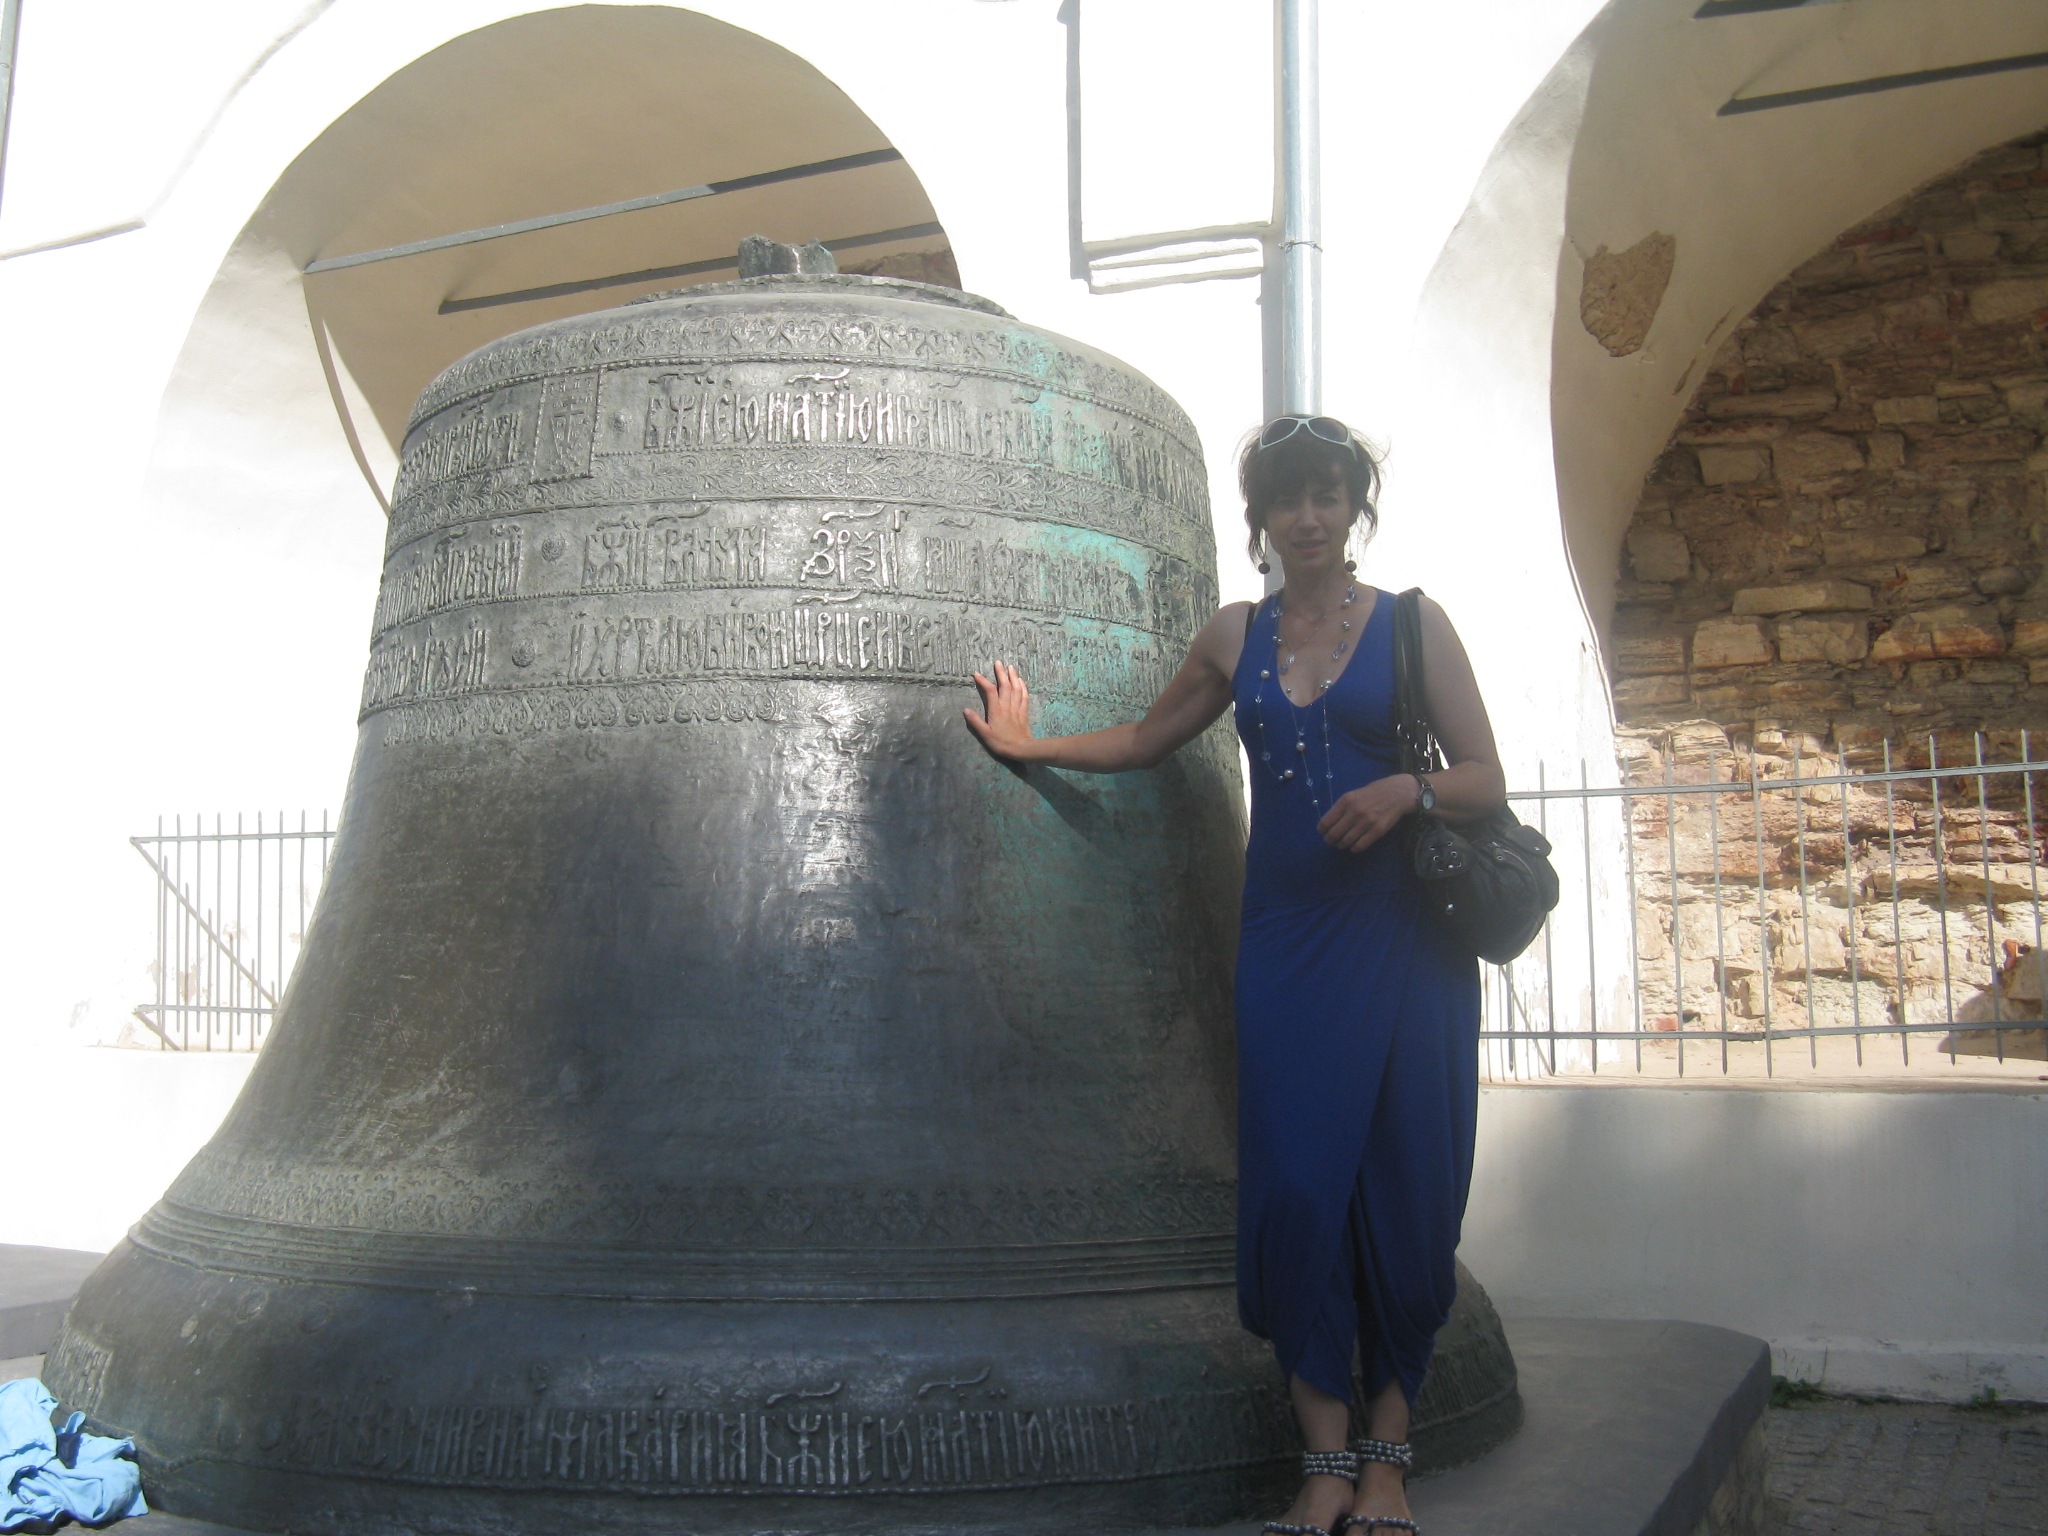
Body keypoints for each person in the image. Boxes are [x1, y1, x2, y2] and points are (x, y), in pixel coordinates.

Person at [962, 415, 1505, 1536]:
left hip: (1405, 943)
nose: (1308, 517)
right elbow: (1144, 739)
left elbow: (1485, 776)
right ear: (1257, 517)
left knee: (1403, 1188)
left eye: (1326, 494)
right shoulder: (1235, 635)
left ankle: (1386, 1461)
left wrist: (1406, 790)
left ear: (1354, 506)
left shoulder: (1413, 624)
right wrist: (1028, 745)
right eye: (1285, 498)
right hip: (1289, 945)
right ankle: (1323, 1462)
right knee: (1296, 1191)